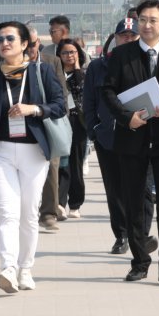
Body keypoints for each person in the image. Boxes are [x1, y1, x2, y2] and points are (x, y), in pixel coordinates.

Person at [0, 21, 66, 293]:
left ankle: (26, 268)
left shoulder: (41, 71)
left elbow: (59, 106)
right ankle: (8, 268)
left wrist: (32, 108)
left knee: (29, 214)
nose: (4, 43)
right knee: (8, 213)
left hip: (34, 151)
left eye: (10, 38)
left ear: (25, 44)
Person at [101, 0, 159, 284]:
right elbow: (108, 92)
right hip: (132, 138)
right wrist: (126, 117)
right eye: (142, 19)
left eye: (153, 20)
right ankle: (140, 261)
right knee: (136, 202)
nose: (147, 25)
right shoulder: (121, 55)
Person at [83, 19, 144, 254]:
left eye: (132, 36)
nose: (127, 39)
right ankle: (121, 234)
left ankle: (139, 231)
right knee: (114, 189)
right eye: (123, 36)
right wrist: (94, 129)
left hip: (137, 134)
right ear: (115, 38)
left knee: (138, 187)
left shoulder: (143, 63)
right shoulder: (99, 67)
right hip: (107, 136)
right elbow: (89, 101)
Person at [28, 25, 70, 230]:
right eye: (26, 44)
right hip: (21, 125)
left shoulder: (52, 62)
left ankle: (48, 213)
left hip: (47, 121)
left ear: (38, 43)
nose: (30, 48)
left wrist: (58, 117)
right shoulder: (10, 64)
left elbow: (61, 93)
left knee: (52, 168)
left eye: (33, 43)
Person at [55, 37, 88, 217]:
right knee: (62, 163)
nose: (69, 55)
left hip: (77, 122)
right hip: (60, 121)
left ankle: (75, 203)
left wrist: (76, 70)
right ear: (59, 55)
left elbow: (82, 93)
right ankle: (60, 203)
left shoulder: (83, 73)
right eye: (65, 52)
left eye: (73, 52)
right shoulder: (54, 74)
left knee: (76, 163)